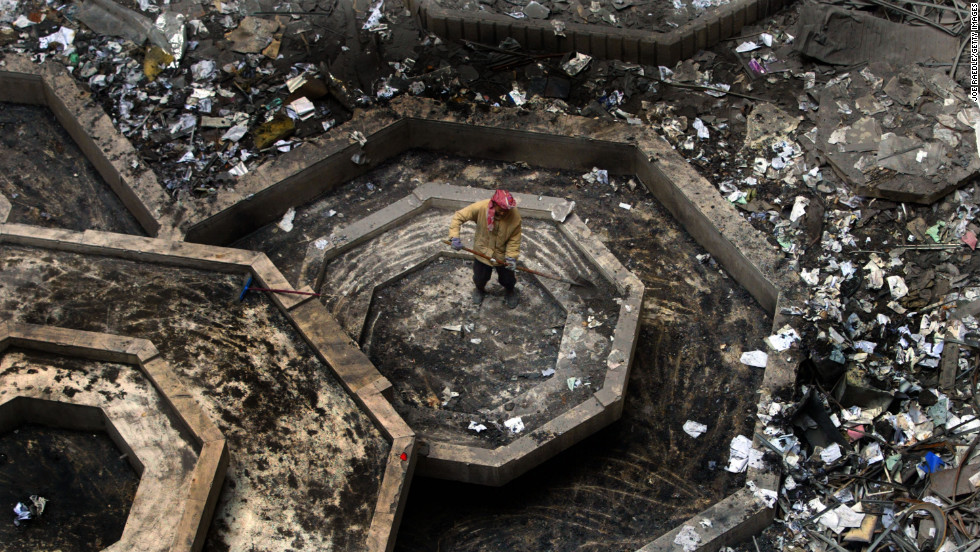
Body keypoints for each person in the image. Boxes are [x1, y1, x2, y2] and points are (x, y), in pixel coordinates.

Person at [448, 189, 522, 308]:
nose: (503, 213)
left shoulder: (514, 216)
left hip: (501, 256)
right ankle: (479, 289)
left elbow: (514, 239)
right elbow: (459, 216)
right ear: (494, 203)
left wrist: (511, 257)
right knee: (480, 277)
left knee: (507, 279)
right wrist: (454, 237)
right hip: (482, 252)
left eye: (506, 210)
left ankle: (510, 290)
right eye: (501, 209)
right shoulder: (482, 208)